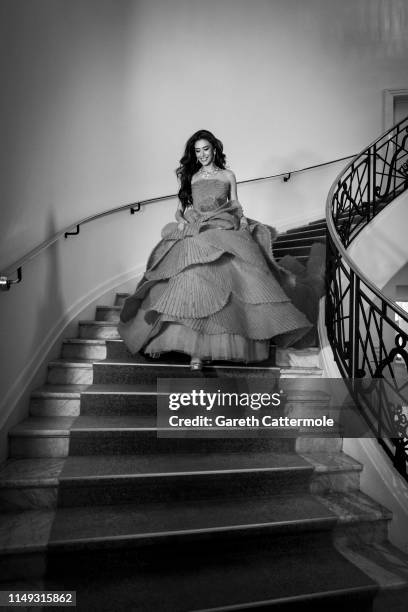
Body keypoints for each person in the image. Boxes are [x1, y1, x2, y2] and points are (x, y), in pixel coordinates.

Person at [118, 129, 313, 370]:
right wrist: (182, 220)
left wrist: (241, 222)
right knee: (188, 270)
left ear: (215, 149)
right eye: (197, 151)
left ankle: (208, 348)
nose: (202, 155)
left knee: (232, 273)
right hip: (197, 227)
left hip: (223, 225)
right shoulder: (192, 177)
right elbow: (180, 208)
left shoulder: (228, 175)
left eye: (206, 149)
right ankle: (174, 343)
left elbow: (237, 205)